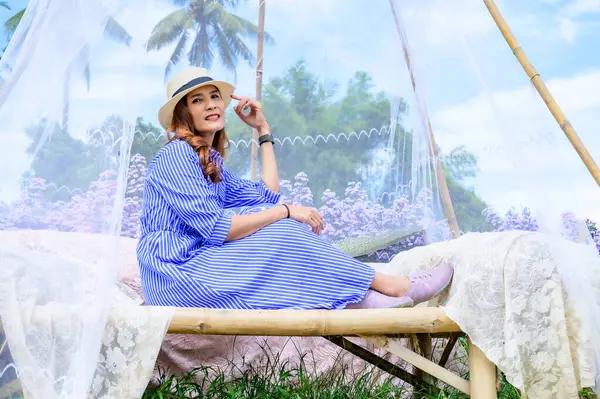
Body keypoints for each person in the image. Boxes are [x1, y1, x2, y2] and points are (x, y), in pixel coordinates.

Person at [136, 67, 455, 310]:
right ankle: (393, 286)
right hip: (174, 272)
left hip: (200, 262)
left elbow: (265, 196)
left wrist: (263, 130)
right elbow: (221, 228)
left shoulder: (209, 161)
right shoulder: (177, 154)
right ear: (183, 112)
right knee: (284, 229)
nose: (211, 105)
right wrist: (286, 212)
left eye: (214, 96)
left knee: (282, 226)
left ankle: (360, 299)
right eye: (197, 99)